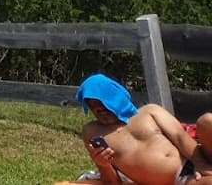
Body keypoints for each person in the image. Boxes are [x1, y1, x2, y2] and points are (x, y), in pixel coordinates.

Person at [67, 74, 209, 184]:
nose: (98, 109)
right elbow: (112, 182)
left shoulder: (150, 112)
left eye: (102, 102)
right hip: (165, 182)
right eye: (92, 105)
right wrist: (102, 164)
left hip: (187, 170)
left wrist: (200, 164)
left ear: (116, 97)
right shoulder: (92, 132)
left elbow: (180, 137)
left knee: (207, 121)